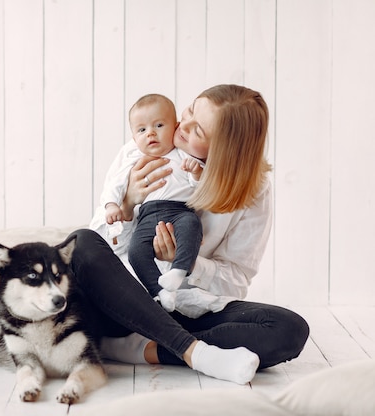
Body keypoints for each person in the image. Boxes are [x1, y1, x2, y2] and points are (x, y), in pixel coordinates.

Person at [70, 84, 309, 385]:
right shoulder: (145, 146)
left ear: (223, 152)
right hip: (121, 304)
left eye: (198, 132)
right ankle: (194, 351)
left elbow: (236, 279)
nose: (181, 126)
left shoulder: (254, 191)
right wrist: (128, 205)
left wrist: (189, 263)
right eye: (191, 110)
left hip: (183, 306)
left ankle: (143, 348)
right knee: (81, 242)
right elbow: (100, 250)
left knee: (289, 329)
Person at [92, 93, 205, 312]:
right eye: (141, 130)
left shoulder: (182, 153)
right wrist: (114, 205)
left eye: (159, 125)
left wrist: (196, 173)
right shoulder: (132, 157)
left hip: (180, 210)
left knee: (192, 226)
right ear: (134, 138)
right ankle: (159, 291)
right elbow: (114, 186)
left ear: (175, 127)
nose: (150, 133)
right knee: (136, 251)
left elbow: (198, 186)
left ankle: (178, 270)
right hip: (147, 214)